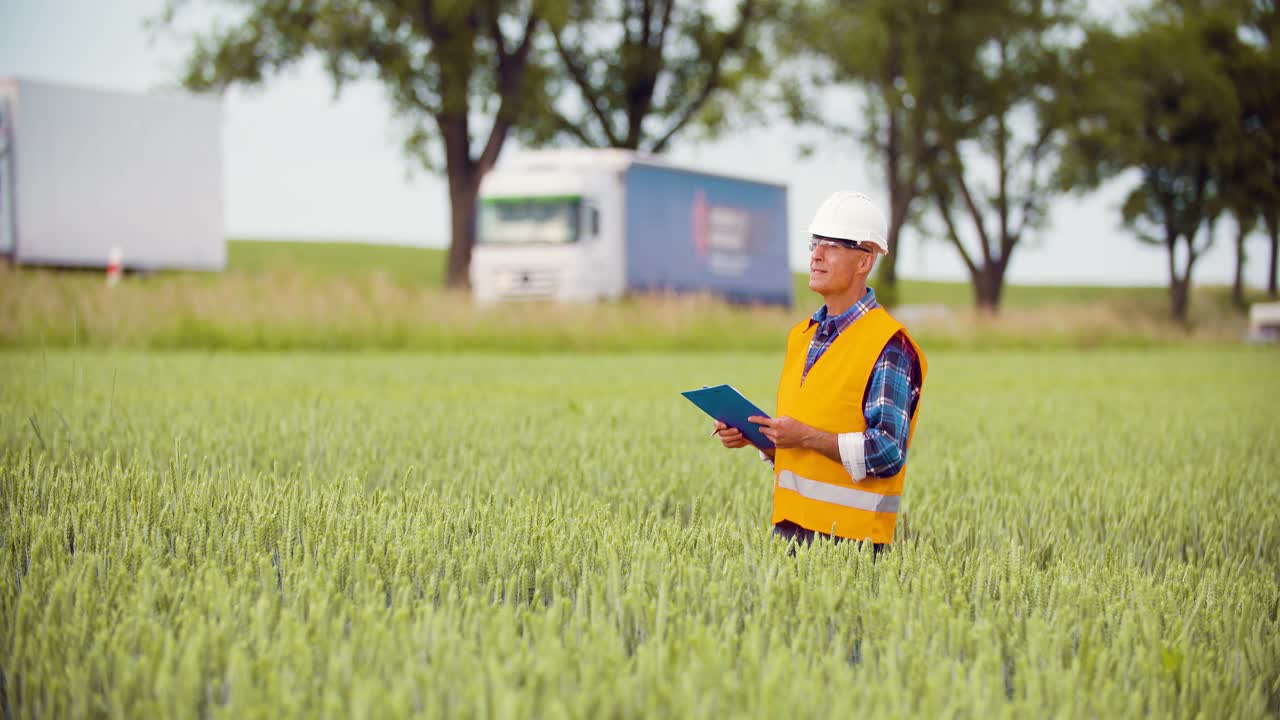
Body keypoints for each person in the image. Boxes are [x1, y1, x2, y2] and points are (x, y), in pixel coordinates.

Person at [715, 191, 927, 556]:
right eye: (815, 243)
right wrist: (760, 439)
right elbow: (806, 451)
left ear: (865, 260)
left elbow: (888, 452)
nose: (815, 254)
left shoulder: (888, 344)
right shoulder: (801, 337)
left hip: (852, 547)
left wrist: (806, 437)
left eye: (832, 245)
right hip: (788, 538)